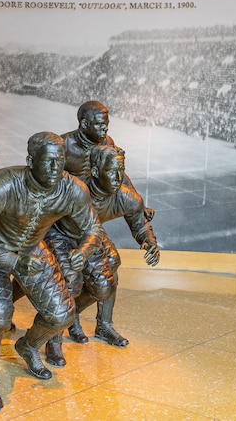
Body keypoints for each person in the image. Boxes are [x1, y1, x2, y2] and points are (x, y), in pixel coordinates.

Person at [0, 132, 100, 412]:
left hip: (33, 249)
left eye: (60, 161)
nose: (55, 168)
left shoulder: (73, 190)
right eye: (48, 161)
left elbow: (93, 227)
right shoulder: (3, 186)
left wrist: (83, 252)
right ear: (30, 161)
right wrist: (12, 262)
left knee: (61, 314)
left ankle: (29, 346)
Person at [43, 144, 160, 366]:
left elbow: (140, 224)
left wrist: (149, 242)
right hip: (59, 233)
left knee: (105, 284)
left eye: (121, 171)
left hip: (92, 234)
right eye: (112, 171)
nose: (118, 177)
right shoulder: (75, 189)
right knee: (69, 280)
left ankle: (88, 320)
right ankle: (53, 339)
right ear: (95, 171)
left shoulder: (127, 197)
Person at [59, 100, 153, 343]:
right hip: (63, 222)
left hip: (91, 218)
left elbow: (120, 175)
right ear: (84, 124)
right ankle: (66, 320)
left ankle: (103, 324)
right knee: (73, 273)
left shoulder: (106, 143)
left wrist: (139, 205)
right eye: (100, 125)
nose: (105, 129)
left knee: (111, 262)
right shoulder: (64, 145)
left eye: (106, 124)